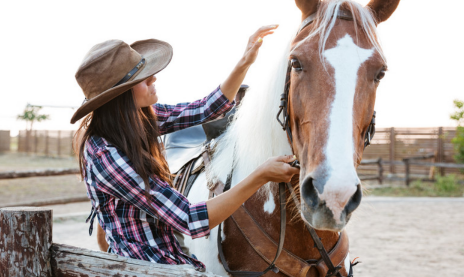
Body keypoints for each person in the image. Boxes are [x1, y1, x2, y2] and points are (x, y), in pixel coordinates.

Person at [71, 26, 299, 271]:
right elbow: (190, 218)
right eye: (141, 78)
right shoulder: (105, 156)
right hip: (145, 269)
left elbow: (205, 109)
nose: (153, 78)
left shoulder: (137, 119)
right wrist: (260, 175)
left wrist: (245, 62)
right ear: (120, 96)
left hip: (171, 262)